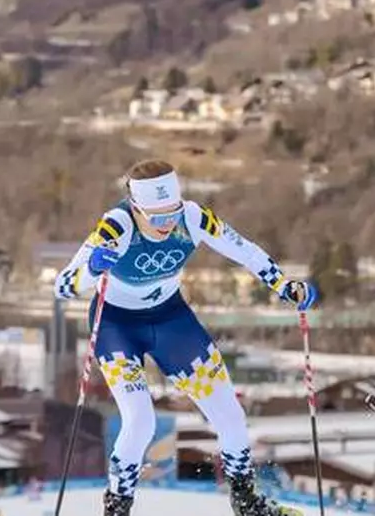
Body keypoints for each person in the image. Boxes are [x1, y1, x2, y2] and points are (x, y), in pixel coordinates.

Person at [54, 159, 318, 516]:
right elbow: (63, 287)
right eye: (157, 218)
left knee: (230, 414)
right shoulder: (115, 227)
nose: (167, 225)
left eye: (171, 214)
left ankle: (246, 502)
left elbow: (244, 250)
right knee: (140, 420)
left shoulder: (192, 217)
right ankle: (116, 509)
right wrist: (92, 270)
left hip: (171, 320)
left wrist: (284, 284)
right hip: (117, 326)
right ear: (136, 208)